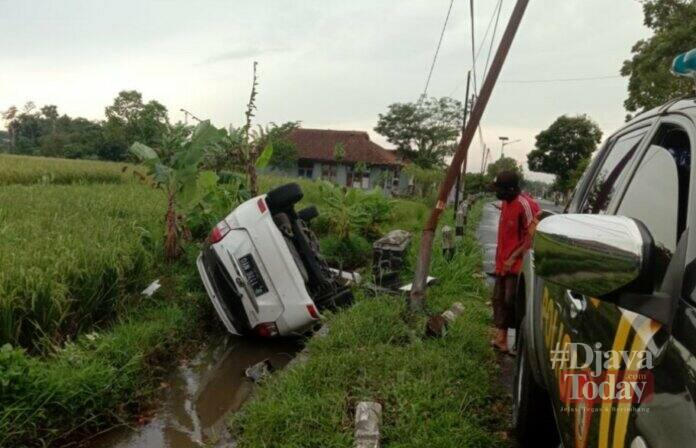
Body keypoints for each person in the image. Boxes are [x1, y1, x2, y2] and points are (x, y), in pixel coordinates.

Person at [490, 171, 541, 353]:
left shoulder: (525, 205)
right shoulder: (505, 203)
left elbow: (532, 235)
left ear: (511, 189)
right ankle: (501, 339)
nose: (498, 193)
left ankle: (520, 346)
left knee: (514, 304)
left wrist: (513, 257)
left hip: (517, 266)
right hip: (502, 264)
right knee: (500, 300)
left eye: (500, 189)